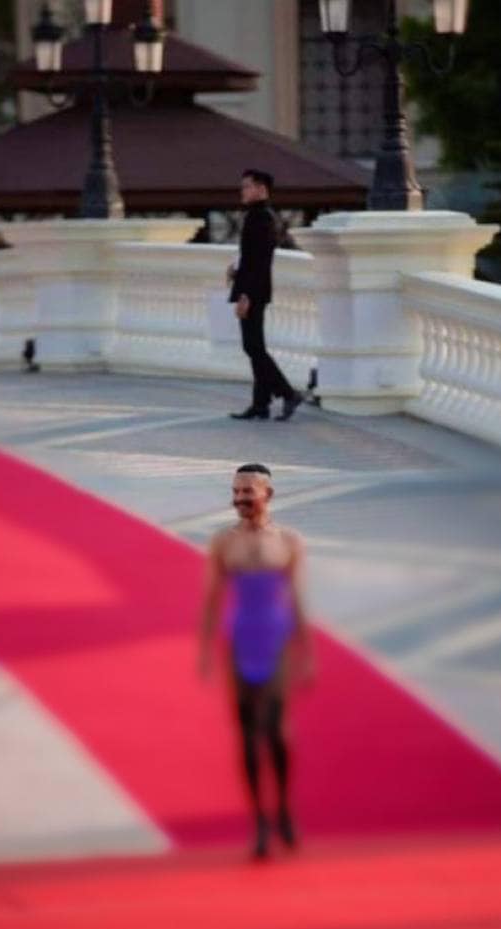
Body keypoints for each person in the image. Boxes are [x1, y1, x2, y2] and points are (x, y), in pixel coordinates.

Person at [199, 463, 314, 858]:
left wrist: (306, 651)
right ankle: (260, 822)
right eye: (235, 492)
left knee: (277, 729)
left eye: (246, 491)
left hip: (275, 638)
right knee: (247, 730)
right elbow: (212, 597)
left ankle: (283, 807)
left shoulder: (288, 541)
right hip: (241, 638)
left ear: (267, 494)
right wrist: (206, 650)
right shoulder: (222, 542)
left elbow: (297, 597)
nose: (239, 499)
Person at [228, 169, 303, 422]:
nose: (242, 191)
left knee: (253, 347)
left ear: (261, 189)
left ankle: (288, 393)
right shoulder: (257, 216)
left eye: (247, 186)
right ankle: (261, 403)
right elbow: (249, 257)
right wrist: (236, 270)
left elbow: (260, 262)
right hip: (254, 288)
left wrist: (245, 296)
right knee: (255, 346)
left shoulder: (261, 218)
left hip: (254, 291)